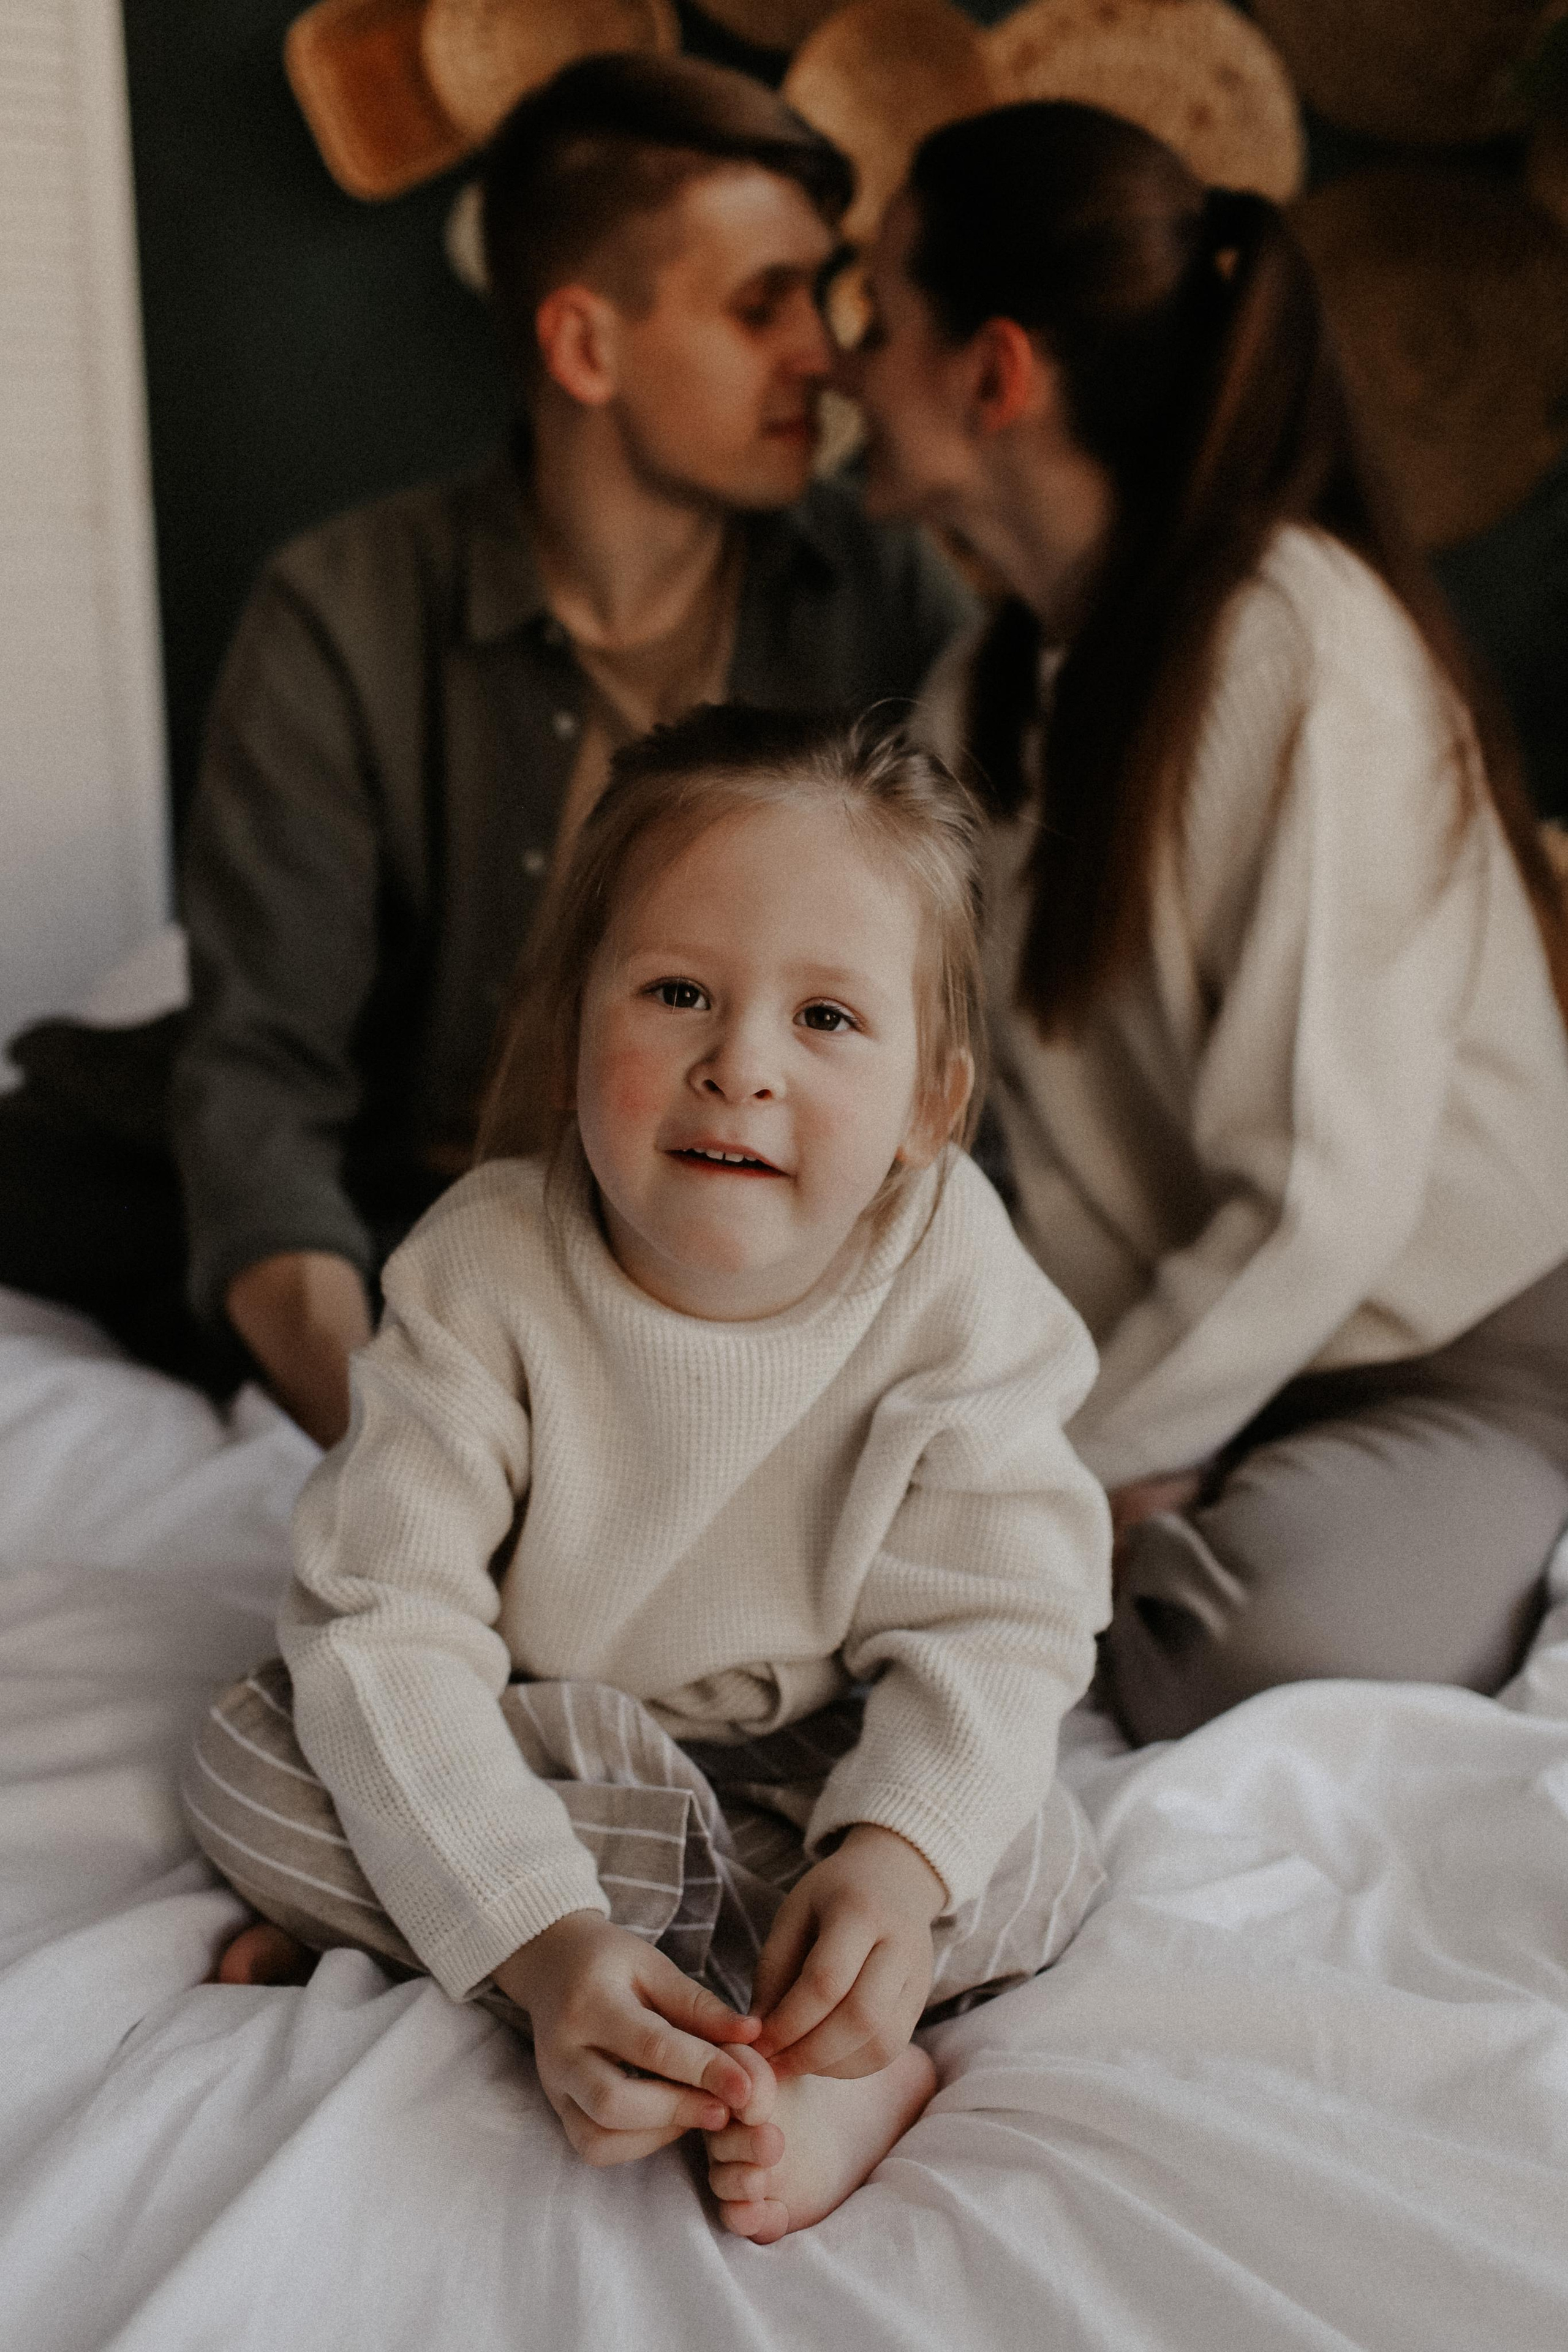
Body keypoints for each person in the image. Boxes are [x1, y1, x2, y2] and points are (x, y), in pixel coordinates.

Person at [181, 706, 1111, 2239]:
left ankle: (782, 2027)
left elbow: (1003, 1621)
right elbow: (382, 1627)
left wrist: (887, 1864)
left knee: (1031, 1847)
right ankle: (621, 1993)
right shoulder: (481, 1270)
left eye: (825, 1019)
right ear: (570, 1037)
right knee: (249, 1763)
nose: (738, 1066)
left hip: (814, 1759)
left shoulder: (955, 1278)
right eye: (678, 992)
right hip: (542, 1736)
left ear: (931, 1107)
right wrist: (543, 1939)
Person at [0, 55, 971, 1443]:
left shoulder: (882, 600)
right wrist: (406, 1457)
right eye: (763, 305)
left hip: (719, 1207)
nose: (822, 355)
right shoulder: (339, 610)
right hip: (407, 1191)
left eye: (817, 297)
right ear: (585, 346)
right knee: (92, 1168)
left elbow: (946, 1041)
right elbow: (267, 1074)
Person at [842, 100, 1568, 1744]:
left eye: (874, 319)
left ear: (996, 373)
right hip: (1181, 1367)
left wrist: (1051, 1474)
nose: (842, 369)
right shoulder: (980, 696)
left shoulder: (1295, 648)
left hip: (1456, 1363)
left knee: (1252, 1639)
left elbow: (1326, 1191)